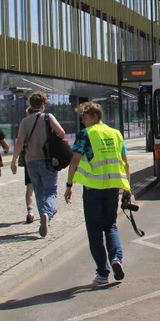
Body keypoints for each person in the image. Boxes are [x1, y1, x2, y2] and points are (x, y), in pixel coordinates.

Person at [62, 101, 131, 286]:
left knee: (94, 231)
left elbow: (74, 159)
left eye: (84, 118)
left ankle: (102, 273)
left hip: (92, 190)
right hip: (112, 188)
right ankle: (116, 259)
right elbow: (125, 162)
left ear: (94, 116)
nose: (82, 122)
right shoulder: (116, 134)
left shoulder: (86, 134)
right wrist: (127, 187)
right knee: (110, 226)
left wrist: (69, 185)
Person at [11, 92, 65, 238]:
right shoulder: (48, 117)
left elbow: (20, 142)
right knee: (51, 191)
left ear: (31, 105)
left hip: (31, 162)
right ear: (43, 104)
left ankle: (44, 216)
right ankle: (47, 214)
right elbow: (61, 133)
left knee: (39, 191)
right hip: (47, 160)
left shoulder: (25, 122)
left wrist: (14, 160)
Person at [21, 104, 38, 224]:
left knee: (29, 188)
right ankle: (47, 210)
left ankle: (30, 212)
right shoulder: (44, 123)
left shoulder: (25, 125)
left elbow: (20, 143)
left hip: (29, 160)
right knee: (43, 188)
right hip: (42, 159)